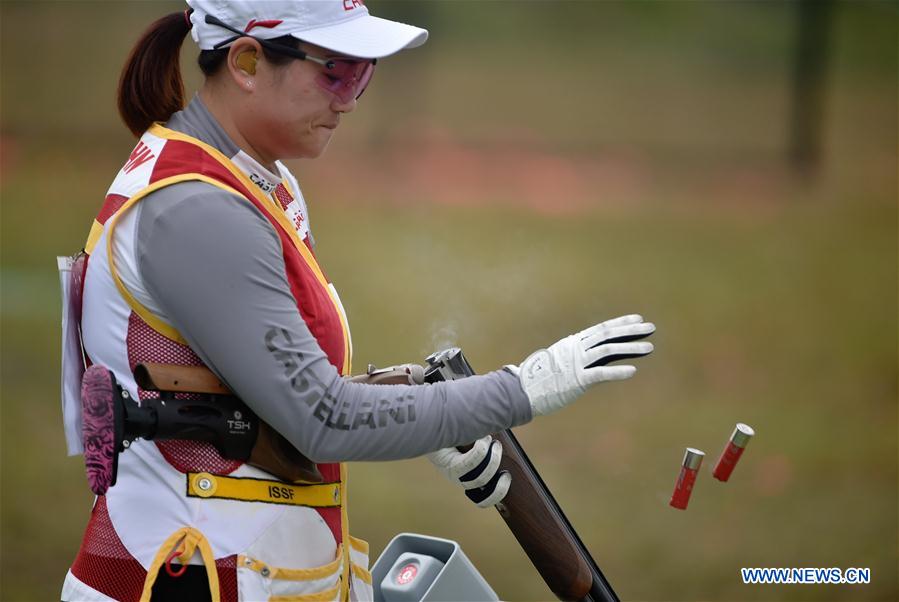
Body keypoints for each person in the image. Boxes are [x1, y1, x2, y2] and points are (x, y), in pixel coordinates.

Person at [61, 1, 655, 601]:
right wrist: (522, 389)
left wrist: (430, 414)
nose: (348, 99)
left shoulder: (254, 178)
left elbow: (267, 391)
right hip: (193, 577)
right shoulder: (200, 209)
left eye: (363, 74)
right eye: (336, 72)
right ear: (245, 61)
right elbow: (322, 417)